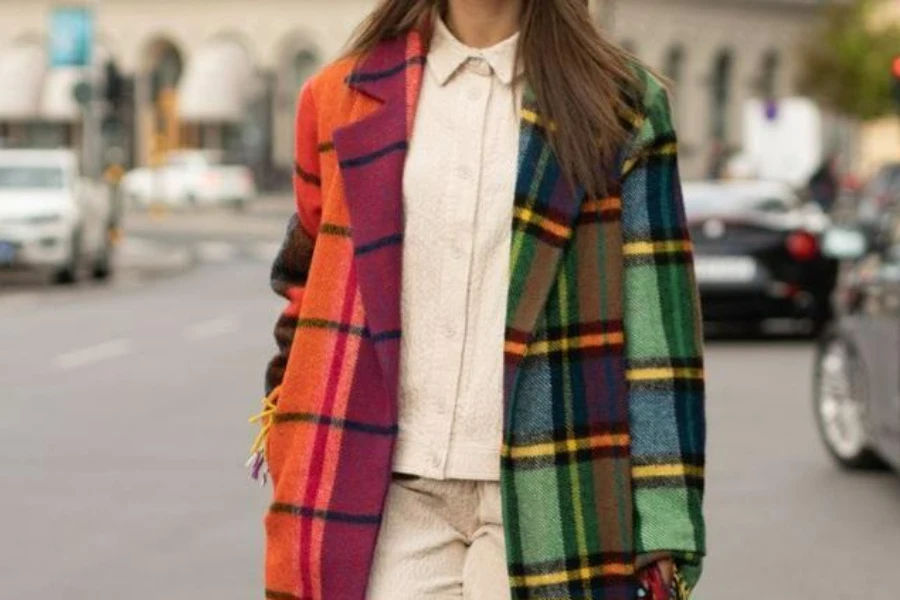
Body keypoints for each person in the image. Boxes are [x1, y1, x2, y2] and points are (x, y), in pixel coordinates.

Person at [249, 1, 706, 598]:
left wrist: (664, 524)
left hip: (558, 481)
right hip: (387, 485)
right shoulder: (341, 94)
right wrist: (291, 434)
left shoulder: (621, 104)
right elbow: (307, 287)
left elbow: (658, 340)